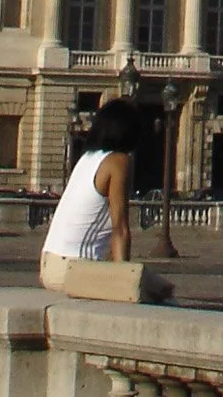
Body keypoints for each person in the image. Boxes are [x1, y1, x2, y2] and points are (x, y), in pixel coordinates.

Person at [39, 101, 171, 304]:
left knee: (152, 284)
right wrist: (122, 281)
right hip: (73, 268)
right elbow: (120, 228)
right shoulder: (118, 161)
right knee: (161, 291)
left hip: (49, 265)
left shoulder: (87, 158)